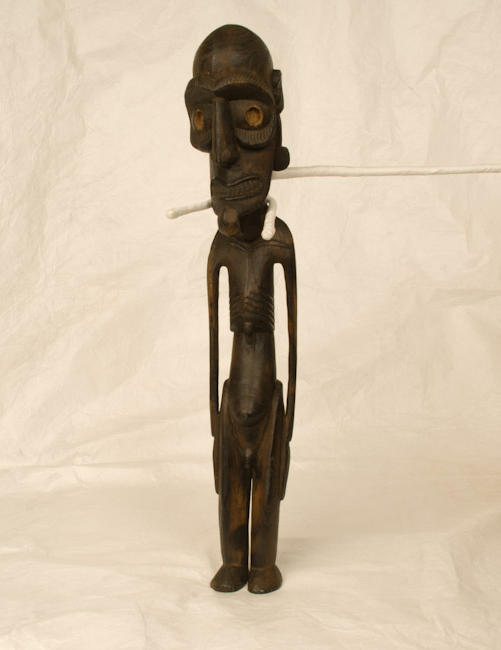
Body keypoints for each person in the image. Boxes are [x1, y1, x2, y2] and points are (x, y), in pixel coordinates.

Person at [185, 24, 297, 593]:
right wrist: (214, 411)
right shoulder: (221, 249)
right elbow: (212, 342)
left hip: (269, 401)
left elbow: (294, 340)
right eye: (205, 121)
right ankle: (234, 561)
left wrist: (289, 410)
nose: (224, 153)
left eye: (249, 115)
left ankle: (263, 563)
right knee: (231, 484)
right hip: (232, 402)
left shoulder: (279, 244)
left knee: (266, 488)